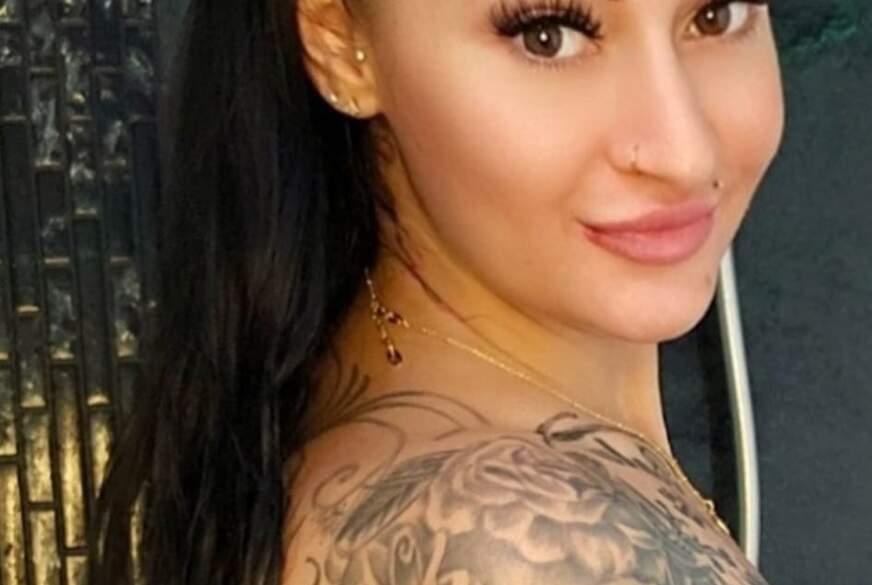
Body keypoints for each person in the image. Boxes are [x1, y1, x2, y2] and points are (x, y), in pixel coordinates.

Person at [90, 0, 785, 583]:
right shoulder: (516, 549)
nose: (683, 153)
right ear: (338, 40)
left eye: (716, 16)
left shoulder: (335, 415)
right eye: (547, 37)